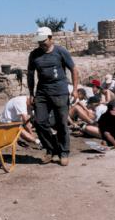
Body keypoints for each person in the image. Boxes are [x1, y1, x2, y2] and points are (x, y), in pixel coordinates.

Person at [28, 26, 79, 166]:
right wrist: (31, 94)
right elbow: (31, 75)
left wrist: (75, 89)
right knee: (39, 122)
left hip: (60, 91)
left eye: (43, 41)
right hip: (42, 92)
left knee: (61, 123)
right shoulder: (34, 55)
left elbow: (74, 69)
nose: (41, 44)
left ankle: (64, 152)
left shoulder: (61, 51)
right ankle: (51, 150)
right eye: (39, 41)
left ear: (50, 38)